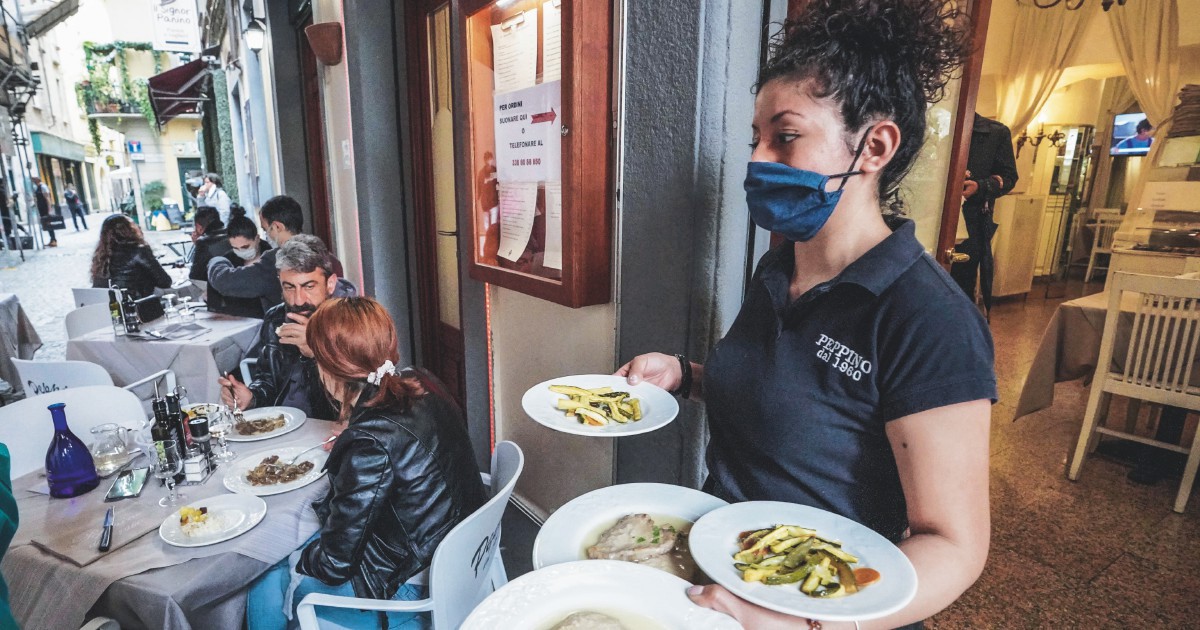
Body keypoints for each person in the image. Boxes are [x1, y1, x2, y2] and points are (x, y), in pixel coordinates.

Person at [618, 2, 994, 628]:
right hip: (722, 571)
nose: (759, 159)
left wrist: (807, 626)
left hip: (817, 607)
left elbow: (954, 546)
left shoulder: (929, 319)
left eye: (785, 137)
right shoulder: (779, 269)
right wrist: (686, 375)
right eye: (756, 138)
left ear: (874, 145)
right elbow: (797, 399)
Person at [245, 297, 487, 630]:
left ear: (328, 369)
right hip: (463, 555)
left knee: (264, 577)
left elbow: (333, 565)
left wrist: (294, 557)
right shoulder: (421, 380)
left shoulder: (370, 441)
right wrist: (355, 425)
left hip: (407, 586)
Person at [217, 235, 353, 417]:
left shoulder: (353, 322)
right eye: (289, 287)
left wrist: (316, 354)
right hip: (283, 425)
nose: (298, 300)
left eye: (309, 287)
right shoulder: (276, 318)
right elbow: (267, 380)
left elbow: (360, 402)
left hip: (331, 431)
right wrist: (251, 397)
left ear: (330, 284)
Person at [949, 113, 1018, 314]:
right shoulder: (933, 122)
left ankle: (960, 339)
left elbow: (1009, 177)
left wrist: (980, 186)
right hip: (929, 216)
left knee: (960, 287)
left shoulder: (995, 132)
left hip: (971, 222)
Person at [90, 214, 172, 321]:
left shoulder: (101, 257)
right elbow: (165, 281)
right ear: (129, 230)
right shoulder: (139, 251)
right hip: (141, 311)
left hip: (112, 313)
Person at [208, 203, 285, 315]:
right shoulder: (227, 261)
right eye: (235, 248)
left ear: (257, 238)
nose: (241, 251)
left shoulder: (271, 259)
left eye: (245, 247)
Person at [259, 195, 346, 278]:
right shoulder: (331, 260)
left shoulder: (272, 261)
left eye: (265, 230)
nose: (266, 235)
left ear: (277, 227)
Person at [188, 206, 231, 287]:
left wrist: (197, 244)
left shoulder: (203, 242)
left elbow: (195, 276)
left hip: (215, 288)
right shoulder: (232, 234)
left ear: (198, 227)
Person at [31, 176, 56, 247]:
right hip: (41, 208)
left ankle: (54, 240)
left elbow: (47, 198)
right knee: (46, 225)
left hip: (45, 208)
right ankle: (52, 240)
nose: (33, 182)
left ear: (37, 180)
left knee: (48, 224)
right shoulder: (37, 187)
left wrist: (49, 209)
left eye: (34, 180)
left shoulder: (43, 187)